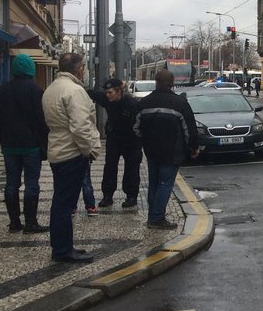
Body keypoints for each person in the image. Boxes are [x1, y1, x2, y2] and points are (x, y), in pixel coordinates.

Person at [42, 52, 101, 264]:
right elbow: (80, 126)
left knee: (61, 202)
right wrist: (89, 150)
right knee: (64, 204)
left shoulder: (52, 88)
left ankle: (63, 246)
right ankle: (63, 250)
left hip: (58, 150)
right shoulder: (74, 91)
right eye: (83, 66)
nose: (84, 69)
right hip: (71, 153)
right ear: (78, 68)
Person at [133, 69, 199, 229]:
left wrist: (145, 140)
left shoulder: (144, 103)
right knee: (165, 183)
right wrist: (193, 147)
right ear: (172, 83)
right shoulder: (180, 103)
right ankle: (156, 218)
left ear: (156, 82)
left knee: (154, 182)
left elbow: (135, 128)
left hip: (151, 150)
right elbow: (189, 129)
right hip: (172, 150)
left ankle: (154, 215)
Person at [0, 53, 49, 233]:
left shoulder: (3, 90)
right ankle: (31, 222)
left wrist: (2, 139)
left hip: (9, 145)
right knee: (31, 183)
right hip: (30, 145)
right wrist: (44, 141)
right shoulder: (35, 90)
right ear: (30, 69)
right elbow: (41, 119)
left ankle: (14, 222)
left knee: (11, 183)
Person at [89, 78, 142, 209]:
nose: (108, 95)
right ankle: (107, 195)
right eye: (106, 92)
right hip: (114, 137)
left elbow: (139, 123)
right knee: (110, 165)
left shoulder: (131, 103)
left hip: (131, 138)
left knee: (132, 167)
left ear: (119, 92)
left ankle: (131, 196)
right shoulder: (107, 99)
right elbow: (91, 93)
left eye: (110, 92)